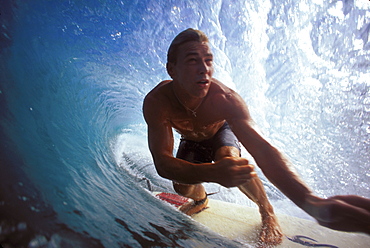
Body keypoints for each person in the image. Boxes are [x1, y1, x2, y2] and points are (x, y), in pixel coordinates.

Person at [143, 28, 370, 245]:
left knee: (231, 162)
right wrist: (211, 173)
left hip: (221, 132)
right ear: (172, 69)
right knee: (181, 187)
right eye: (193, 60)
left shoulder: (225, 99)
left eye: (209, 60)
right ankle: (201, 200)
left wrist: (309, 201)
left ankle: (267, 211)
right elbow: (163, 163)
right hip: (190, 139)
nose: (204, 69)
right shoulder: (157, 102)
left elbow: (264, 150)